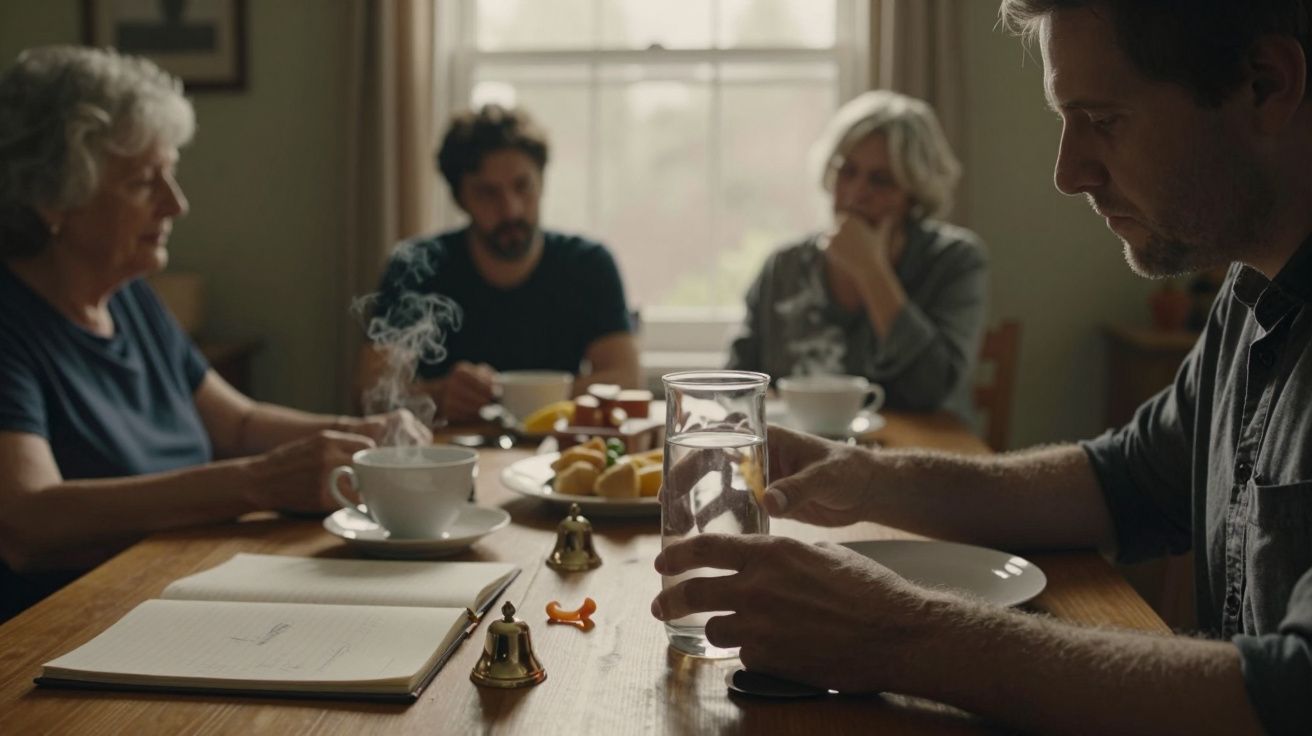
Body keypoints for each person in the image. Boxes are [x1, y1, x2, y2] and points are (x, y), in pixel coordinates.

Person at [654, 1, 1312, 733]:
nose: (1067, 172)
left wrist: (899, 635)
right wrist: (862, 475)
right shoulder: (1252, 291)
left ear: (1265, 84)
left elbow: (1293, 694)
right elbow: (1117, 482)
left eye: (1105, 120)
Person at [0, 46, 429, 621]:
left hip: (179, 593)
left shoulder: (129, 299)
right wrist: (255, 485)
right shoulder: (11, 324)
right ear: (55, 197)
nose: (176, 203)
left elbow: (239, 423)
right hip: (72, 629)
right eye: (143, 182)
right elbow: (29, 523)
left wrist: (360, 433)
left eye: (170, 174)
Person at [356, 105, 641, 423]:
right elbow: (370, 393)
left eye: (523, 186)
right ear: (460, 198)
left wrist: (530, 398)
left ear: (542, 182)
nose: (511, 210)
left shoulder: (588, 265)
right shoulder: (416, 266)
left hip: (549, 454)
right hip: (449, 455)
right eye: (487, 193)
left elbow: (627, 378)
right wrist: (441, 395)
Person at [726, 90, 987, 421]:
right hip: (798, 456)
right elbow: (736, 387)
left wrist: (871, 271)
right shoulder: (785, 266)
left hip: (911, 459)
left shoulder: (954, 260)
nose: (856, 193)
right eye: (846, 172)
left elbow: (933, 389)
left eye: (880, 180)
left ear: (914, 193)